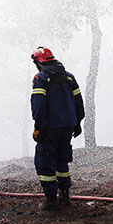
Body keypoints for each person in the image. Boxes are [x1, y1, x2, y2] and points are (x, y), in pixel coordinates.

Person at [30, 46, 85, 211]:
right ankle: (65, 195)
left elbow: (38, 105)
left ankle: (51, 201)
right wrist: (77, 123)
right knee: (62, 160)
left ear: (38, 62)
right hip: (67, 126)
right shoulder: (69, 77)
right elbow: (78, 102)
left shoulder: (41, 78)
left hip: (49, 127)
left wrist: (38, 126)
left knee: (45, 162)